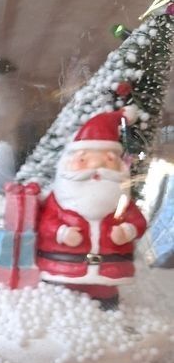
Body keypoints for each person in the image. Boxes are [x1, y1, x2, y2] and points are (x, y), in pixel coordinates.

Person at [36, 109, 147, 308]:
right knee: (61, 295)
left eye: (108, 161)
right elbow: (45, 223)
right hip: (63, 268)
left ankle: (105, 301)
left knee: (105, 294)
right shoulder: (59, 198)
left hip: (110, 268)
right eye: (83, 161)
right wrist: (61, 233)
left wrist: (127, 230)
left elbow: (138, 221)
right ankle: (62, 300)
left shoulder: (122, 200)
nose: (96, 168)